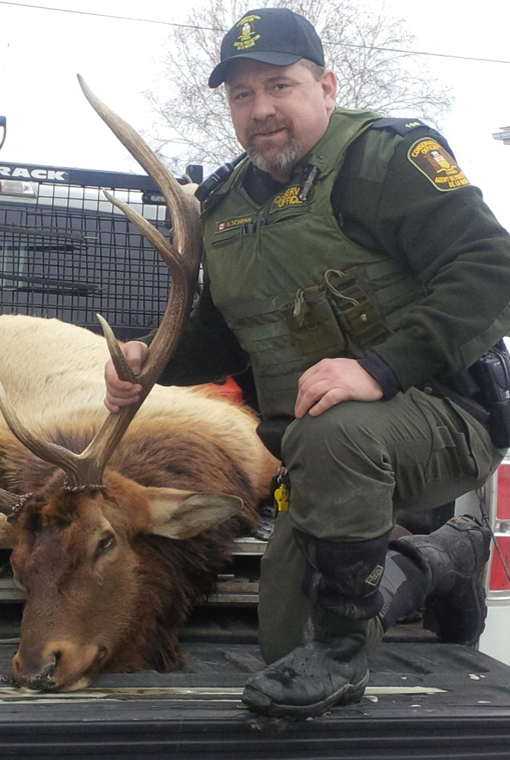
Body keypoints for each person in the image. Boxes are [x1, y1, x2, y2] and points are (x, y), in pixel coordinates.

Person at [104, 8, 510, 719]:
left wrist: (379, 369)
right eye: (240, 95)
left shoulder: (386, 159)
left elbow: (490, 267)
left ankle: (345, 658)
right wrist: (148, 358)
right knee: (284, 642)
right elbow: (220, 337)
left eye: (279, 86)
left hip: (445, 410)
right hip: (320, 453)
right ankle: (436, 562)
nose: (260, 110)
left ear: (325, 84)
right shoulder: (224, 208)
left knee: (335, 433)